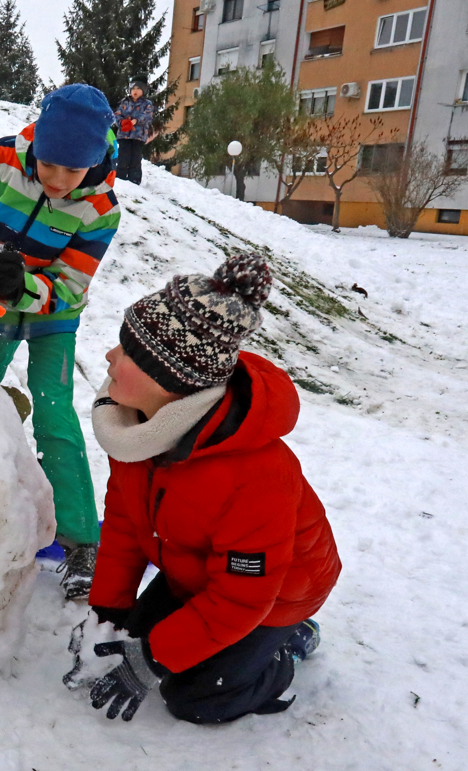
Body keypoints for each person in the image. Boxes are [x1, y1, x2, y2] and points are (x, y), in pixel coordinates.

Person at [81, 253, 341, 724]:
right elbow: (123, 523)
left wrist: (153, 660)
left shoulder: (255, 476)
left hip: (276, 594)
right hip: (196, 569)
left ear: (169, 379)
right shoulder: (139, 431)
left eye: (126, 350)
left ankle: (284, 649)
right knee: (125, 644)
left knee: (196, 697)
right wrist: (107, 610)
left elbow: (242, 598)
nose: (108, 357)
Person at [0, 83, 121, 600]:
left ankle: (80, 540)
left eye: (71, 172)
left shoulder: (101, 208)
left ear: (93, 163)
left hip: (56, 315)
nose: (55, 180)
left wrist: (23, 286)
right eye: (48, 165)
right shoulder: (3, 157)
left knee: (55, 414)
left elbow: (71, 283)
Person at [113, 76, 155, 185]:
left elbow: (148, 117)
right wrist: (122, 122)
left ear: (143, 90)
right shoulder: (124, 102)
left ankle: (134, 181)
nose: (135, 91)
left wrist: (136, 121)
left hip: (138, 136)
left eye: (138, 89)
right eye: (133, 89)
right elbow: (117, 115)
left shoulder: (147, 104)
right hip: (124, 135)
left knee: (135, 158)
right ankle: (120, 179)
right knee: (123, 157)